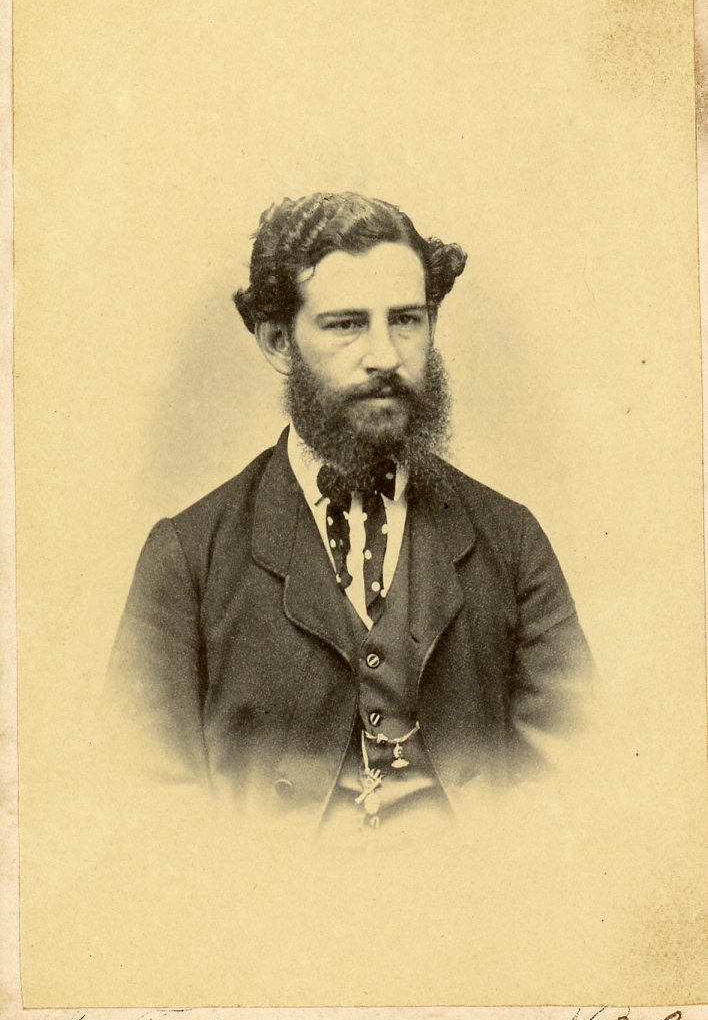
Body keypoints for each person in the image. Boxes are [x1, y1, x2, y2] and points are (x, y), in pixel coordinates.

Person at [106, 192, 593, 839]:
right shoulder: (188, 558)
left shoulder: (510, 539)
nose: (385, 356)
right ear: (278, 341)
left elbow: (575, 776)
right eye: (346, 325)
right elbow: (147, 804)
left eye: (407, 320)